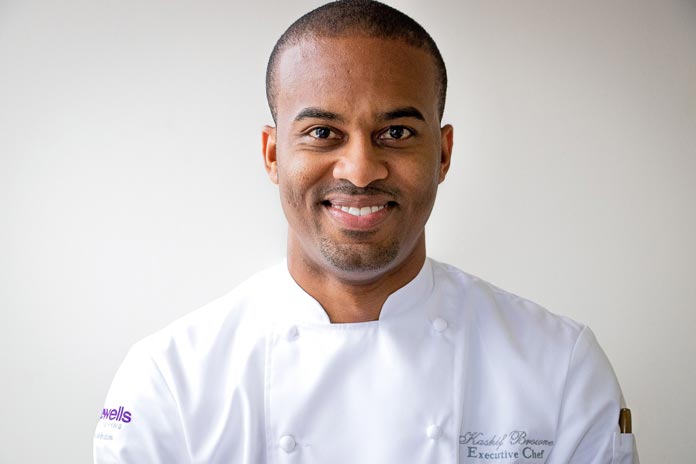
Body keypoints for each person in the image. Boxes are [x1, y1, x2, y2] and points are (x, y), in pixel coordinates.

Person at [94, 1, 639, 462]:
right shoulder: (168, 381)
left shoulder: (561, 367)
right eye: (322, 132)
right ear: (272, 155)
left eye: (396, 132)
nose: (359, 170)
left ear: (443, 154)